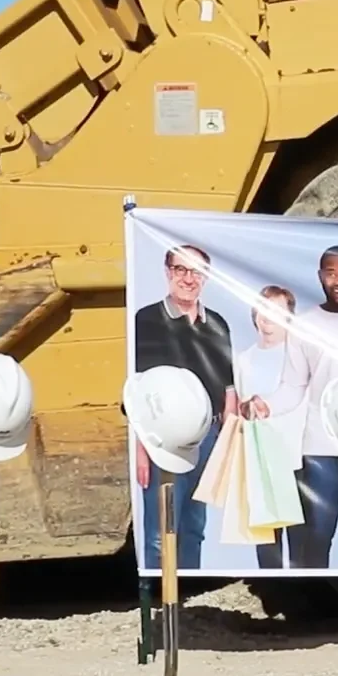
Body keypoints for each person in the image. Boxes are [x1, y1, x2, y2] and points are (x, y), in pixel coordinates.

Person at [250, 245, 338, 569]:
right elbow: (294, 385)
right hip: (320, 446)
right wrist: (265, 404)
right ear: (320, 276)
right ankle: (317, 607)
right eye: (331, 273)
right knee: (318, 533)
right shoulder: (305, 325)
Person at [130, 243, 238, 569]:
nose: (188, 279)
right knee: (161, 528)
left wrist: (228, 444)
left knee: (194, 525)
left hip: (209, 437)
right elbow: (138, 389)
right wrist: (140, 448)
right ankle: (161, 599)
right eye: (181, 269)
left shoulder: (218, 324)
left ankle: (189, 597)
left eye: (196, 272)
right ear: (168, 273)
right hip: (163, 436)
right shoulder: (147, 320)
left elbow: (229, 390)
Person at [235, 284, 305, 569]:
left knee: (302, 539)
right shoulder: (243, 359)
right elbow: (240, 405)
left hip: (297, 457)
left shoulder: (299, 353)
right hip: (260, 458)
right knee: (267, 541)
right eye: (263, 308)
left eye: (277, 310)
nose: (268, 316)